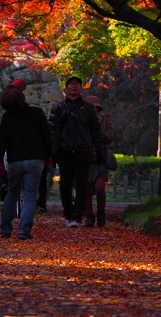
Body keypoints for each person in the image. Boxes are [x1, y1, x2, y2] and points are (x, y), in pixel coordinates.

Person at [0, 86, 52, 241]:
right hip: (34, 158)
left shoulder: (7, 117)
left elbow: (1, 141)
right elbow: (47, 136)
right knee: (31, 195)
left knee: (12, 193)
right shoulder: (37, 113)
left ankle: (6, 228)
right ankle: (24, 230)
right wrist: (48, 156)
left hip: (15, 160)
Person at [48, 76, 102, 227]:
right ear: (66, 88)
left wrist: (99, 150)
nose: (74, 87)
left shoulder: (88, 108)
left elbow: (95, 131)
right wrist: (53, 151)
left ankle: (78, 215)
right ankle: (68, 213)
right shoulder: (59, 107)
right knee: (65, 184)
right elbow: (53, 130)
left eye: (77, 84)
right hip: (64, 150)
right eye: (71, 84)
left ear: (81, 87)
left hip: (82, 150)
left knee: (81, 184)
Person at [83, 95, 114, 227]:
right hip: (85, 159)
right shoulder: (81, 121)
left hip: (100, 159)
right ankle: (89, 215)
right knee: (87, 190)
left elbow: (109, 137)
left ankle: (101, 212)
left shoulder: (105, 120)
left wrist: (97, 131)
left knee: (99, 187)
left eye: (95, 108)